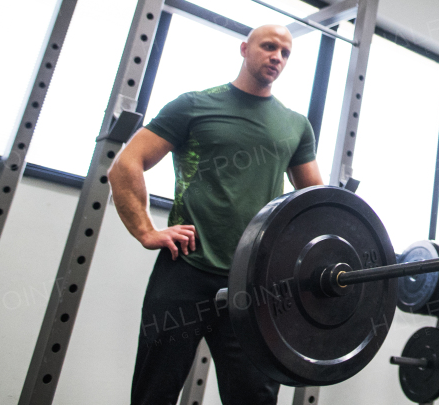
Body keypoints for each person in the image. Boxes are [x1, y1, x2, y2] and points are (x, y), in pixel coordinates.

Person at [109, 24, 323, 405]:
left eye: (285, 53)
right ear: (244, 49)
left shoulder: (295, 125)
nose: (277, 57)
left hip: (251, 282)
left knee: (254, 397)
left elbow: (316, 204)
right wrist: (145, 231)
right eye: (269, 47)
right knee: (153, 392)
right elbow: (126, 164)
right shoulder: (194, 105)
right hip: (184, 270)